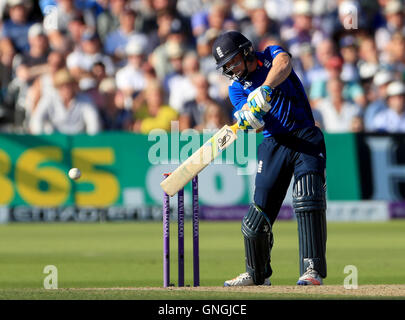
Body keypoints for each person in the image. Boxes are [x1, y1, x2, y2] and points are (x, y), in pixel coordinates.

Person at [212, 31, 327, 286]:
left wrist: (265, 88)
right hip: (273, 143)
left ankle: (311, 269)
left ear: (246, 52)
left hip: (305, 135)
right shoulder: (235, 89)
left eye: (233, 61)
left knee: (308, 198)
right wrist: (248, 118)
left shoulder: (271, 55)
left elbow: (285, 64)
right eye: (226, 66)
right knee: (255, 220)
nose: (230, 69)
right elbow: (248, 117)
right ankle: (256, 274)